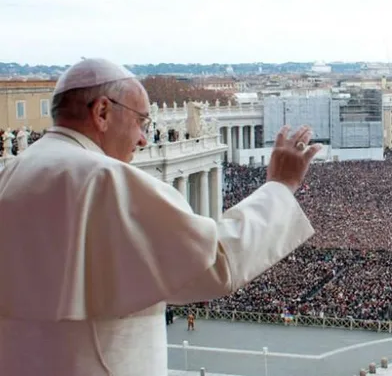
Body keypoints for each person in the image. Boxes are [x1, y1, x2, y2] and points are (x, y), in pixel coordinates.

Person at [0, 58, 322, 376]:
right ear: (102, 112)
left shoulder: (12, 174)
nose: (143, 139)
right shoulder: (105, 179)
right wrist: (280, 187)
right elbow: (215, 263)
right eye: (141, 121)